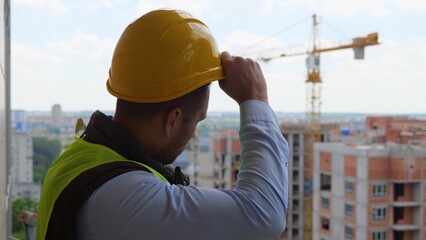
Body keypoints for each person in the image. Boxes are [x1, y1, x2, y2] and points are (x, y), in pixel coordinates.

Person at [36, 9, 288, 240]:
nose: (193, 134)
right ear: (173, 119)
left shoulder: (82, 156)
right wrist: (255, 99)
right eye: (198, 120)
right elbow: (263, 213)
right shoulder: (126, 198)